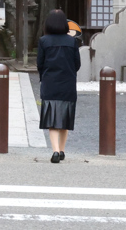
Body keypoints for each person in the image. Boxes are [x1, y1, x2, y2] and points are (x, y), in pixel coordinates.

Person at [37, 9, 80, 164]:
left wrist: (44, 78)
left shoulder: (44, 41)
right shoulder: (72, 42)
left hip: (50, 84)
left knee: (52, 119)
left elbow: (40, 64)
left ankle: (55, 150)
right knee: (65, 118)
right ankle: (62, 150)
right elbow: (77, 64)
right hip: (67, 84)